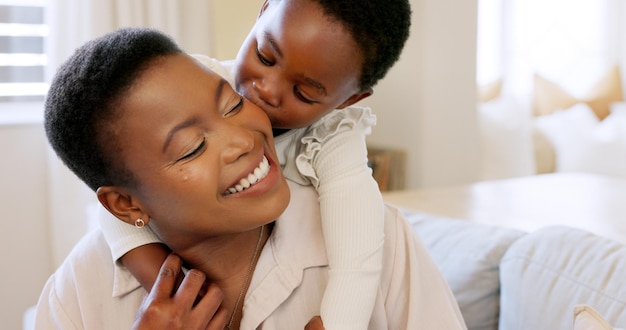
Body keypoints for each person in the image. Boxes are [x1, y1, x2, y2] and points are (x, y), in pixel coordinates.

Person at [34, 28, 467, 329]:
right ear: (126, 206)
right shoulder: (78, 295)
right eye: (192, 147)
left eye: (232, 105)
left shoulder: (380, 240)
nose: (242, 141)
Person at [98, 0, 412, 328]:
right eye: (264, 56)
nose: (267, 89)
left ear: (348, 101)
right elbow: (116, 172)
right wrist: (160, 275)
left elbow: (358, 251)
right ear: (263, 11)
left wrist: (339, 323)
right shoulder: (196, 82)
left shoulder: (334, 137)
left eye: (304, 93)